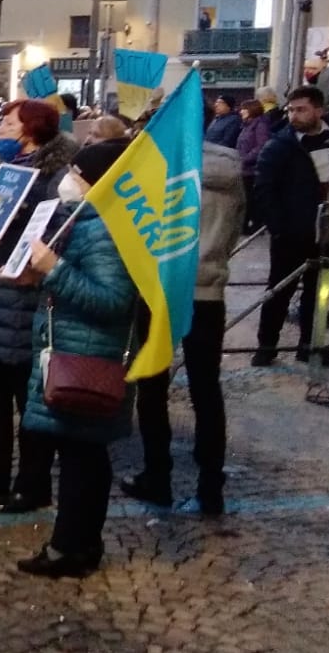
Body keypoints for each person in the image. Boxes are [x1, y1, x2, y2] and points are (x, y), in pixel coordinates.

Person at [16, 140, 139, 579]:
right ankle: (82, 542)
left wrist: (55, 269)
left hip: (87, 359)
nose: (69, 177)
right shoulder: (90, 220)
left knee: (80, 459)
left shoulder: (105, 228)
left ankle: (69, 547)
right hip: (78, 349)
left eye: (77, 170)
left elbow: (112, 300)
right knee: (84, 455)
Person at [0, 98, 77, 516]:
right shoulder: (4, 174)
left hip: (24, 307)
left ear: (30, 129)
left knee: (31, 407)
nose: (0, 128)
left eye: (7, 122)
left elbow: (55, 237)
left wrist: (9, 233)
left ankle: (32, 484)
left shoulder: (56, 179)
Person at [124, 141, 243, 516]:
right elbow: (237, 227)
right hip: (208, 291)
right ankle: (210, 488)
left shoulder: (160, 166)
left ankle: (157, 476)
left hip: (161, 290)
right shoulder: (231, 169)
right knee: (206, 390)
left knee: (153, 386)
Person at [252, 86, 329, 365]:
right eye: (290, 109)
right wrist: (278, 228)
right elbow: (264, 189)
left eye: (301, 109)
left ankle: (309, 347)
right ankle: (266, 348)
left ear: (319, 111)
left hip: (327, 235)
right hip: (291, 234)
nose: (294, 115)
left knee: (318, 294)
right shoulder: (279, 145)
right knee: (278, 291)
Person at [236, 100, 271, 231]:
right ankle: (245, 223)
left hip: (252, 169)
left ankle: (254, 224)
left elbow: (261, 145)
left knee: (250, 198)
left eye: (244, 109)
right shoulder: (246, 126)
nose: (241, 112)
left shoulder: (260, 125)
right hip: (244, 168)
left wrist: (245, 159)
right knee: (245, 198)